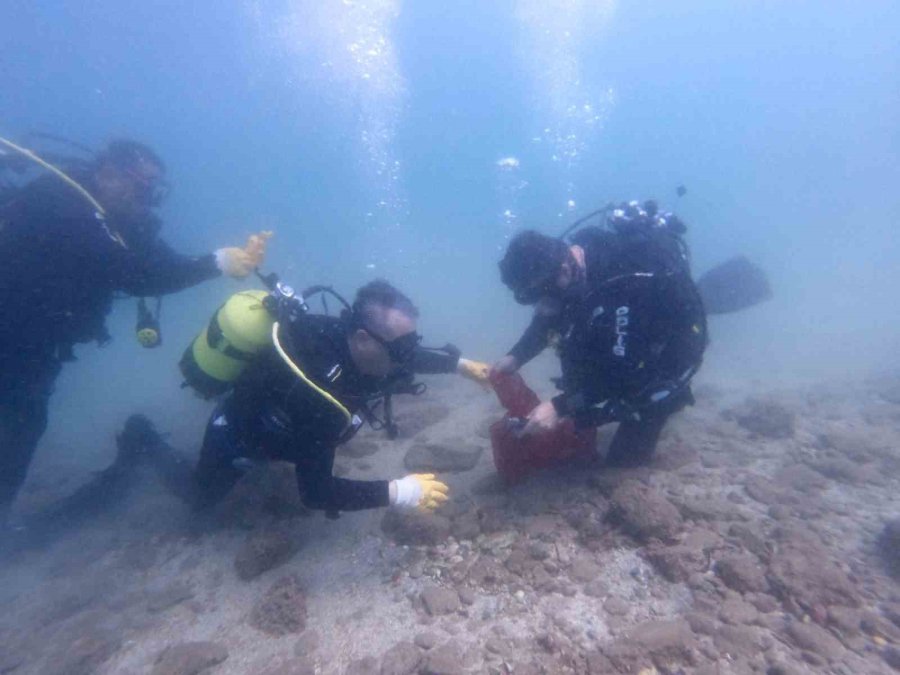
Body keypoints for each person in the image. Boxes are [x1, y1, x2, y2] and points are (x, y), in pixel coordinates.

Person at [0, 138, 271, 524]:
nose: (150, 199)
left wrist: (223, 260)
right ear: (107, 174)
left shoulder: (123, 221)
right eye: (143, 187)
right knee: (24, 418)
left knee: (26, 420)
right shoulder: (61, 202)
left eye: (155, 190)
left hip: (38, 343)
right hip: (10, 329)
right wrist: (215, 262)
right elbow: (139, 275)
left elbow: (161, 262)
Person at [493, 200, 708, 467]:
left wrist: (559, 407)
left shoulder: (624, 285)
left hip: (654, 363)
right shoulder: (564, 274)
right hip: (620, 353)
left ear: (563, 269)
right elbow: (545, 322)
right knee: (580, 381)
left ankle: (669, 402)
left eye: (544, 294)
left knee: (620, 467)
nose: (544, 303)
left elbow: (626, 374)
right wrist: (515, 357)